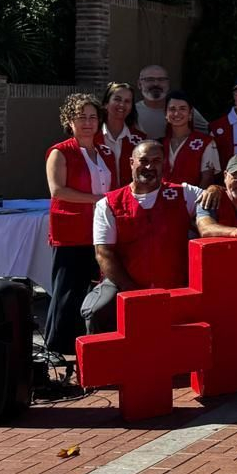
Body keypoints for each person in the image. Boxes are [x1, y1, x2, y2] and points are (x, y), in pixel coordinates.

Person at [84, 140, 203, 334]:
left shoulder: (183, 193)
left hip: (176, 285)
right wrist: (134, 293)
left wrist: (215, 190)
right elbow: (104, 254)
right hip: (126, 285)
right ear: (132, 163)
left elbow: (219, 199)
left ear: (164, 164)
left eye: (156, 161)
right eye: (144, 161)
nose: (149, 167)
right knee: (97, 311)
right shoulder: (108, 204)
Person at [44, 92, 114, 354]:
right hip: (71, 231)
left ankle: (85, 342)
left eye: (93, 117)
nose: (87, 122)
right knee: (67, 290)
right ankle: (56, 347)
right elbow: (58, 191)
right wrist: (99, 199)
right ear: (69, 121)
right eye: (81, 117)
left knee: (93, 289)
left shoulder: (105, 152)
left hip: (100, 231)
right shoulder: (60, 152)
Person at [161, 90, 220, 187]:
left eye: (182, 109)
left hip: (192, 196)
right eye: (172, 109)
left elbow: (207, 178)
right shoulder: (160, 144)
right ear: (166, 114)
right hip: (162, 196)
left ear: (190, 113)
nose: (176, 113)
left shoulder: (205, 142)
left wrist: (195, 197)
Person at [134, 64, 207, 138]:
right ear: (139, 84)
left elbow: (209, 133)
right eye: (150, 79)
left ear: (168, 84)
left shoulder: (183, 110)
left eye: (161, 79)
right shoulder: (132, 112)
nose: (156, 84)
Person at [97, 82, 143, 188]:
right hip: (98, 196)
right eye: (117, 99)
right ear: (106, 103)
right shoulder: (91, 137)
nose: (122, 104)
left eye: (127, 101)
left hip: (130, 196)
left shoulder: (141, 140)